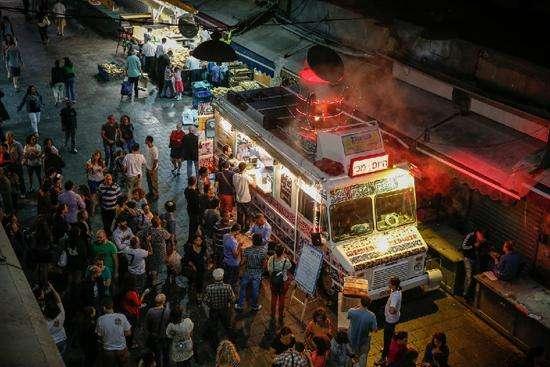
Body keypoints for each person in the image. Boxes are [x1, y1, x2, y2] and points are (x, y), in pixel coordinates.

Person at [235, 233, 267, 311]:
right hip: (257, 273)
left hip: (248, 271)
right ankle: (254, 305)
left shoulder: (247, 250)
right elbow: (264, 264)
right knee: (255, 290)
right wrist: (261, 271)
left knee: (243, 288)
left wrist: (239, 266)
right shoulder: (263, 251)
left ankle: (240, 305)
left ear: (253, 241)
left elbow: (243, 262)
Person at [96, 297, 132, 367]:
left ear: (103, 308)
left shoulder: (100, 320)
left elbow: (99, 336)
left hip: (108, 351)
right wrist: (119, 334)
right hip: (121, 349)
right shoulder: (122, 317)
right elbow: (129, 332)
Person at [204, 268, 236, 345]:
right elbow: (233, 299)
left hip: (214, 309)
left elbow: (205, 301)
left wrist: (211, 305)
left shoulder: (209, 288)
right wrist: (231, 308)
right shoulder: (228, 287)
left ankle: (215, 341)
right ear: (222, 277)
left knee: (214, 325)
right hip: (224, 309)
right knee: (226, 324)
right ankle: (231, 339)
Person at [347, 296, 378, 367]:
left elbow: (348, 317)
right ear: (369, 304)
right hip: (363, 341)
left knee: (350, 356)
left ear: (360, 302)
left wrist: (356, 307)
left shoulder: (351, 311)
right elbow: (375, 330)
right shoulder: (372, 316)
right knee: (362, 358)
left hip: (351, 339)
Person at [378, 276, 402, 365]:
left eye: (389, 283)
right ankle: (386, 349)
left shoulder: (395, 296)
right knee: (390, 336)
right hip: (394, 319)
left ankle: (383, 357)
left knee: (387, 339)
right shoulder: (398, 291)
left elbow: (392, 310)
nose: (388, 284)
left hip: (390, 320)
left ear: (393, 285)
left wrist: (391, 311)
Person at [267, 244, 293, 326]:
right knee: (282, 299)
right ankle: (280, 316)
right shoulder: (286, 261)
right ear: (283, 252)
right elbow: (290, 266)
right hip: (282, 283)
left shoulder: (271, 259)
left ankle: (273, 314)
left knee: (274, 299)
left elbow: (269, 270)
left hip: (274, 282)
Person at [147, 216, 172, 293]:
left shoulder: (149, 230)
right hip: (161, 252)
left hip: (152, 251)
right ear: (159, 223)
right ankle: (160, 285)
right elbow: (169, 237)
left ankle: (153, 281)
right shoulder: (162, 231)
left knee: (153, 266)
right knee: (160, 267)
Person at [145, 293, 171, 367]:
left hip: (155, 337)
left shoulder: (150, 311)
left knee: (157, 355)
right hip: (165, 337)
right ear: (163, 302)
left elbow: (147, 325)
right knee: (166, 355)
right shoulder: (167, 312)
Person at [44, 283, 68, 356]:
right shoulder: (61, 312)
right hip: (63, 340)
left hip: (53, 344)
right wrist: (52, 288)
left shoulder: (46, 323)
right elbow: (58, 299)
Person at [461, 228, 486, 298]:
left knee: (476, 276)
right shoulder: (470, 236)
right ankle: (465, 294)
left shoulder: (481, 240)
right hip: (468, 258)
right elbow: (463, 247)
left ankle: (473, 295)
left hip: (475, 259)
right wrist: (473, 246)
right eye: (481, 236)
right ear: (478, 233)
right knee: (469, 276)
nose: (482, 238)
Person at [183, 234, 207, 301]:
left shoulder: (203, 248)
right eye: (197, 240)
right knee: (192, 279)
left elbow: (205, 256)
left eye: (200, 240)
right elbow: (186, 259)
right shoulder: (190, 248)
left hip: (200, 268)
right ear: (194, 241)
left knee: (200, 281)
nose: (199, 241)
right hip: (192, 268)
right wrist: (192, 265)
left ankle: (199, 294)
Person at [5, 132, 26, 196]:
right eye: (7, 138)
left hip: (17, 164)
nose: (8, 139)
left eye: (9, 138)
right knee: (10, 178)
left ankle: (23, 192)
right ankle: (14, 192)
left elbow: (21, 154)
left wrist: (18, 162)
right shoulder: (5, 144)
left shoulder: (17, 144)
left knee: (20, 178)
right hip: (8, 164)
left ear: (12, 137)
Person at [233, 162, 252, 228]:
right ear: (245, 168)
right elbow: (254, 185)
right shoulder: (246, 176)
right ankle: (246, 228)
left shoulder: (235, 176)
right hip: (246, 199)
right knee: (247, 214)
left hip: (238, 198)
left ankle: (239, 226)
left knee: (240, 214)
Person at [144, 135, 159, 200]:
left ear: (149, 141)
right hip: (148, 167)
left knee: (154, 182)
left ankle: (156, 194)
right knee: (149, 181)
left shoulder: (154, 150)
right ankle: (151, 192)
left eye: (146, 140)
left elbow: (155, 161)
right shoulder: (147, 147)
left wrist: (152, 170)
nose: (145, 141)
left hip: (152, 169)